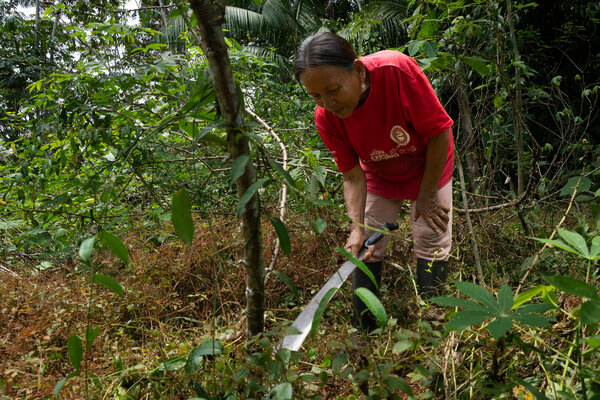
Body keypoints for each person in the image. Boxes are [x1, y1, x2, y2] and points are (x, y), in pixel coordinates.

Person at [294, 32, 454, 331]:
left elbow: (438, 132)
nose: (328, 103)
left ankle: (433, 324)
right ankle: (364, 328)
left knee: (431, 235)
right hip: (379, 172)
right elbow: (353, 175)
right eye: (316, 96)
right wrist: (356, 228)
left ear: (357, 70)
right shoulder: (326, 118)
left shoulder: (397, 71)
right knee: (367, 243)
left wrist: (428, 194)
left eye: (333, 90)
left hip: (429, 163)